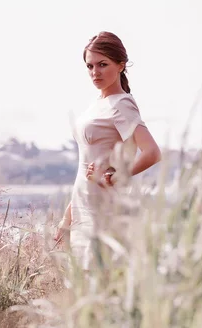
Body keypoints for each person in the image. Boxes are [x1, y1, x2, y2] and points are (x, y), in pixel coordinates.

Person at [55, 31, 161, 270]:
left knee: (102, 284)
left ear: (121, 65)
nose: (95, 72)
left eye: (103, 65)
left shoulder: (121, 104)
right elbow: (85, 166)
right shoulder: (97, 104)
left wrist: (117, 176)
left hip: (106, 208)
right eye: (90, 66)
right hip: (83, 204)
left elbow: (152, 152)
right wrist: (67, 218)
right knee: (82, 287)